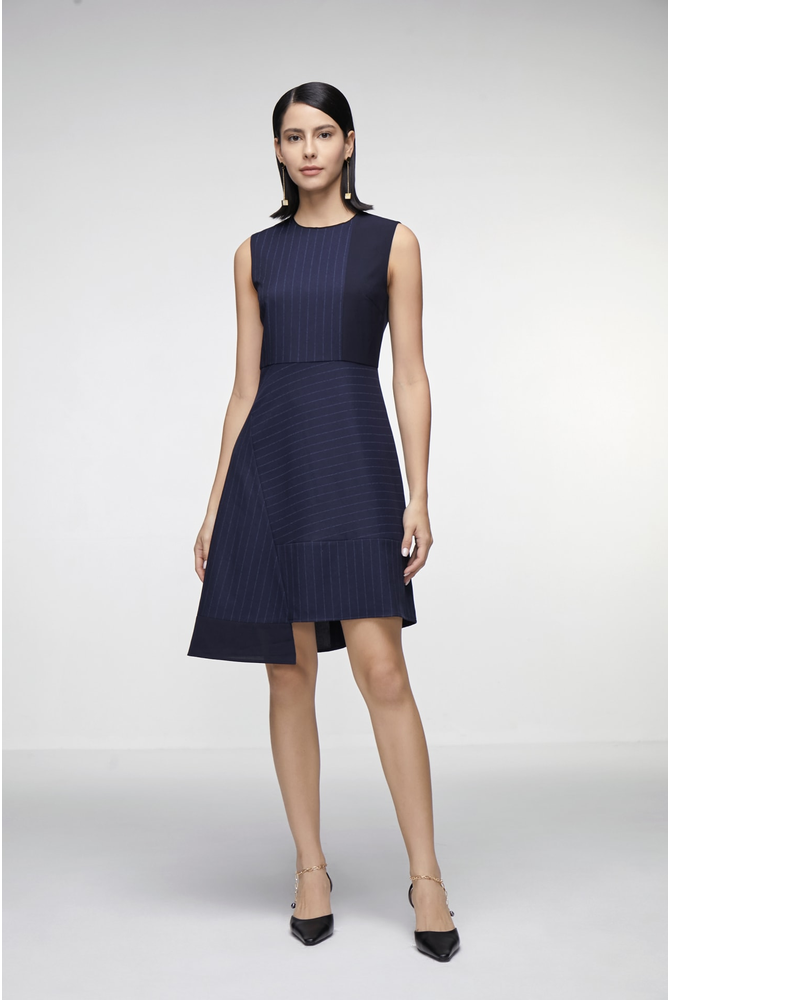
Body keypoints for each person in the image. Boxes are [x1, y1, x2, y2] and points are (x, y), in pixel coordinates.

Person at [187, 82, 459, 962]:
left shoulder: (392, 242)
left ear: (348, 144)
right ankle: (311, 869)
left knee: (383, 672)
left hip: (353, 461)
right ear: (277, 150)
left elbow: (409, 374)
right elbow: (244, 390)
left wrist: (418, 493)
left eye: (323, 134)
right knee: (288, 673)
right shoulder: (253, 254)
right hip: (271, 472)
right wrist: (216, 504)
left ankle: (427, 878)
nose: (308, 149)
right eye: (293, 136)